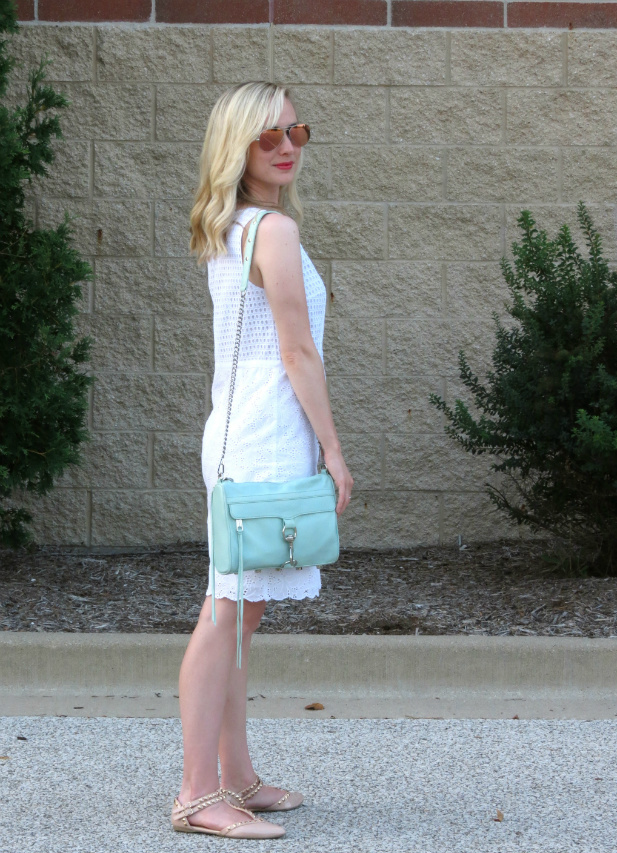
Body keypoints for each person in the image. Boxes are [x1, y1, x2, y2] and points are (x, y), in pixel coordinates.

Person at [171, 81, 353, 839]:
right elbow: (296, 348)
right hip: (262, 442)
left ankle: (235, 775)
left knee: (242, 612)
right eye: (268, 136)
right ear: (236, 146)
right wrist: (335, 451)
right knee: (224, 612)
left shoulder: (237, 226)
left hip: (248, 435)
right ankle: (194, 793)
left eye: (296, 131)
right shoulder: (269, 231)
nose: (287, 146)